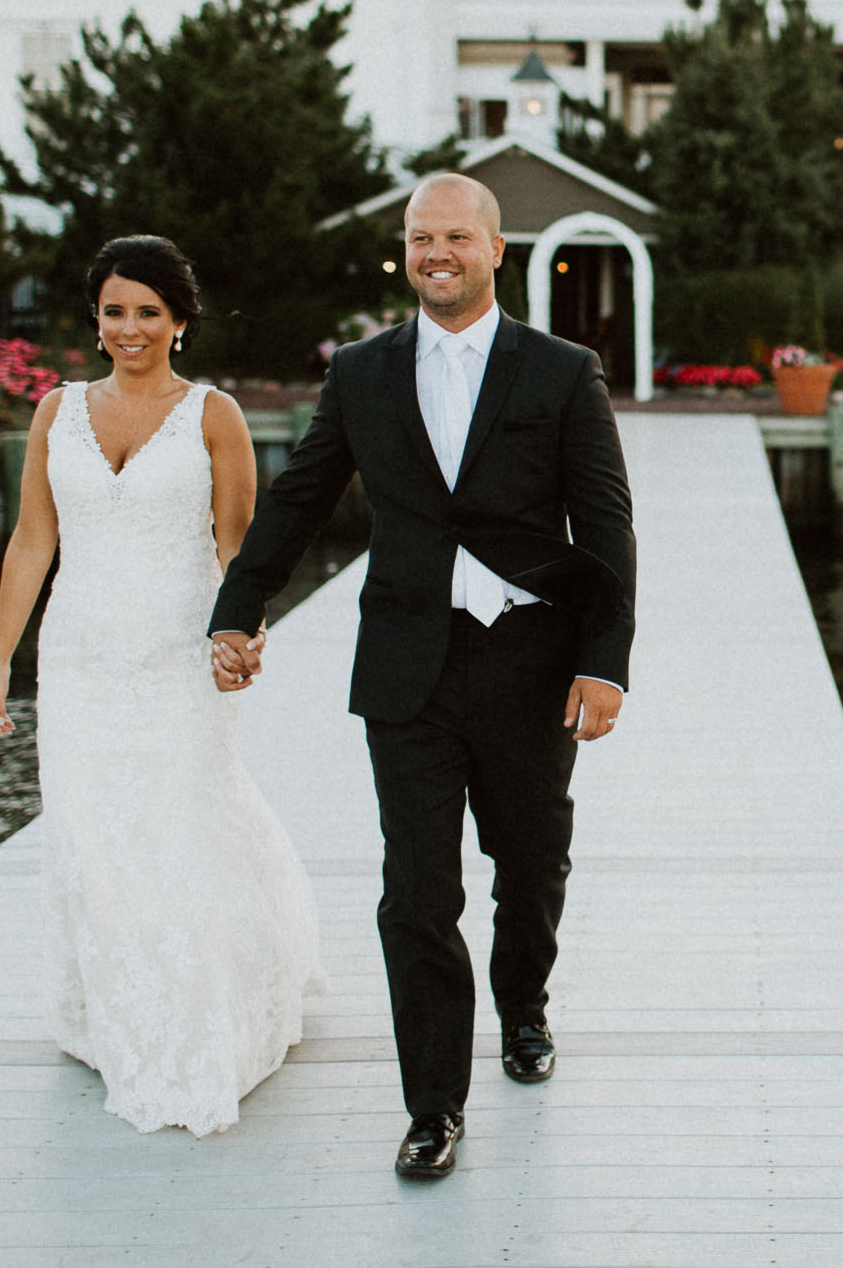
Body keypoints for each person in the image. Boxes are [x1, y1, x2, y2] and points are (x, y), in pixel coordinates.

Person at [207, 173, 636, 1184]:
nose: (435, 251)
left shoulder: (562, 370)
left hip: (532, 658)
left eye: (454, 235)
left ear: (495, 250)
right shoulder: (360, 371)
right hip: (406, 666)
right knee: (416, 892)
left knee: (531, 861)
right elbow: (302, 496)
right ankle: (433, 1104)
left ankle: (522, 1002)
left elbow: (605, 523)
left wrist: (603, 661)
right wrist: (238, 602)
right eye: (418, 238)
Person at [0, 235, 324, 1137]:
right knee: (94, 833)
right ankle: (112, 1010)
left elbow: (237, 543)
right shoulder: (56, 412)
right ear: (95, 320)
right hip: (82, 656)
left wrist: (238, 634)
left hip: (178, 653)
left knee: (182, 817)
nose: (130, 329)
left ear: (179, 321)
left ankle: (203, 1014)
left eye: (149, 312)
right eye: (114, 311)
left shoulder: (214, 415)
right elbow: (31, 541)